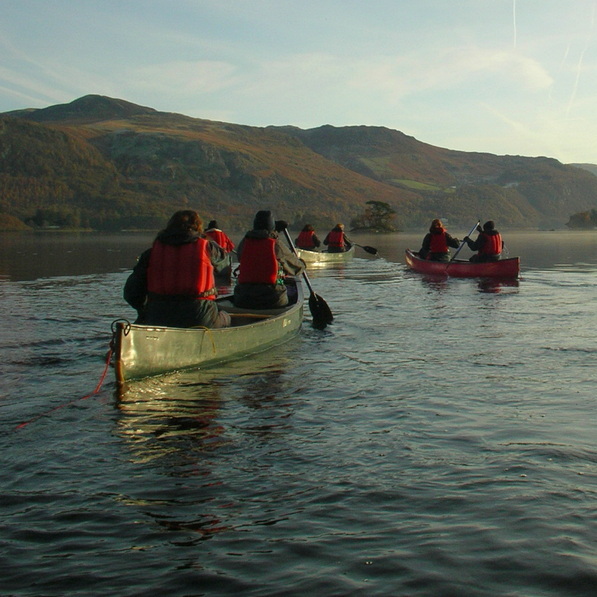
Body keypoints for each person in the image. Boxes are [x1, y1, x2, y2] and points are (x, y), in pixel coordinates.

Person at [123, 210, 231, 328]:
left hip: (157, 317)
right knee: (226, 317)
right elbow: (224, 265)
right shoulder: (209, 248)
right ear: (198, 227)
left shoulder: (150, 254)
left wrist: (145, 310)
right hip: (198, 317)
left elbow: (131, 293)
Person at [233, 210, 306, 309]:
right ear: (272, 226)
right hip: (272, 299)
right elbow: (297, 268)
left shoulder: (244, 243)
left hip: (243, 298)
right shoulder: (276, 245)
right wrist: (302, 263)